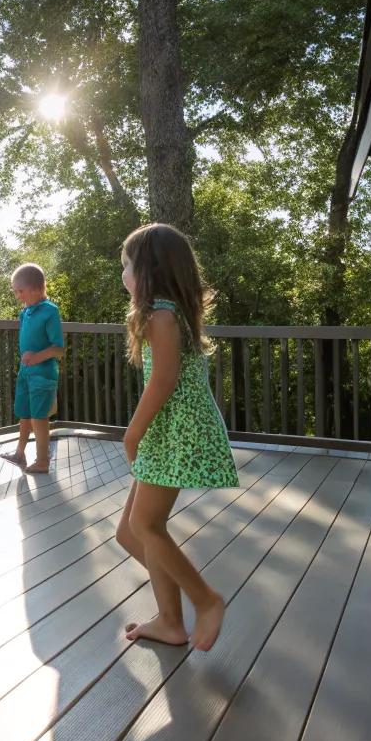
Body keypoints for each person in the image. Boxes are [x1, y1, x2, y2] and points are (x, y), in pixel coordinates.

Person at [116, 222, 238, 652]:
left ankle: (206, 601)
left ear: (148, 270)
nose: (123, 274)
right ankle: (170, 621)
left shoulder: (162, 314)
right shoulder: (168, 313)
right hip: (169, 430)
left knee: (146, 525)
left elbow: (163, 380)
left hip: (175, 430)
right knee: (131, 533)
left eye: (127, 265)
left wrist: (133, 433)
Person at [1, 262, 64, 475]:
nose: (17, 296)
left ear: (36, 289)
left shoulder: (50, 311)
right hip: (26, 372)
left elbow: (59, 349)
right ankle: (20, 454)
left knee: (39, 416)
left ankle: (43, 461)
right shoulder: (25, 313)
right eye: (15, 291)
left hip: (43, 375)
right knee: (25, 413)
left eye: (20, 291)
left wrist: (37, 357)